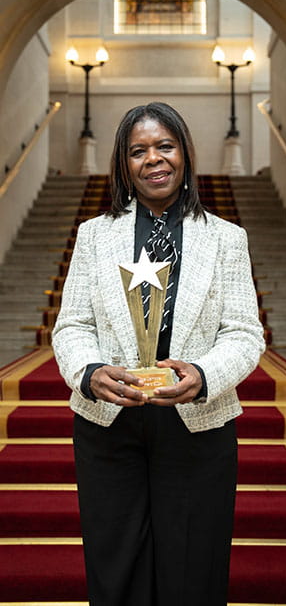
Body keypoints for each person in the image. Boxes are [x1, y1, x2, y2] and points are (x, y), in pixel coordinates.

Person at [52, 101, 265, 605]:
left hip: (197, 421)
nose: (154, 160)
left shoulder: (227, 239)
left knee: (193, 570)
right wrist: (89, 372)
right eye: (138, 151)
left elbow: (244, 334)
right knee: (116, 566)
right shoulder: (93, 235)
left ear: (185, 154)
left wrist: (204, 374)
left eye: (165, 147)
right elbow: (71, 326)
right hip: (109, 422)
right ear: (124, 164)